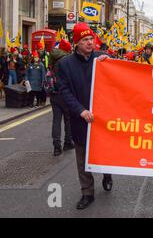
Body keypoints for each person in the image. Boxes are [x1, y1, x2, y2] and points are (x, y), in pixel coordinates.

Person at [58, 23, 113, 210]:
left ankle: (107, 173)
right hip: (81, 118)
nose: (90, 42)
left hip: (102, 118)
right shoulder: (65, 64)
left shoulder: (101, 58)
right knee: (82, 159)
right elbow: (64, 91)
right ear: (76, 43)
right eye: (85, 40)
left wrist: (111, 62)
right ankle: (87, 192)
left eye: (91, 39)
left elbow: (119, 75)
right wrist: (80, 110)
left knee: (104, 152)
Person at [49, 40, 74, 156]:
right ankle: (68, 142)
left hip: (54, 93)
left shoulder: (52, 58)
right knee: (68, 119)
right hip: (65, 94)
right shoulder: (66, 61)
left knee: (56, 120)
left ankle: (56, 146)